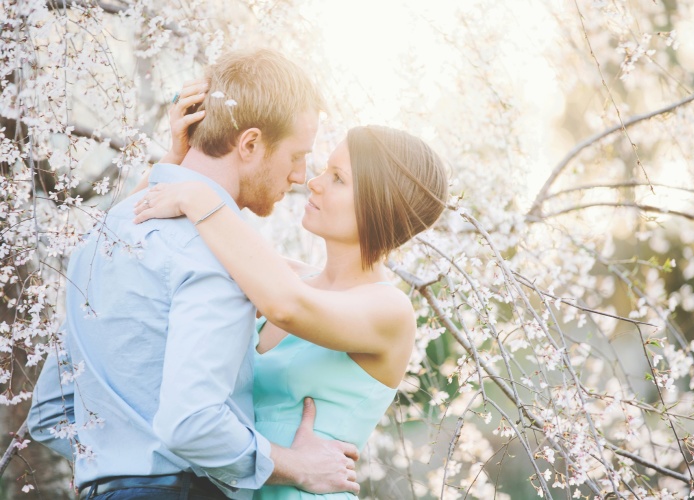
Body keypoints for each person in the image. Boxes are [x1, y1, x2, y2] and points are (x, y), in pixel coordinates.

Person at [27, 49, 360, 500]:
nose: (301, 176)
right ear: (250, 144)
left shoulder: (106, 232)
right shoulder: (219, 250)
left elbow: (49, 414)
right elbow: (191, 424)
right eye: (297, 156)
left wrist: (124, 462)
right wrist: (298, 467)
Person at [132, 104, 449, 498]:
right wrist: (178, 160)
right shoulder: (287, 278)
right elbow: (142, 241)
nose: (312, 182)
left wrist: (197, 197)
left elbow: (288, 307)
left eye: (337, 178)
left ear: (378, 203)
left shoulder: (389, 311)